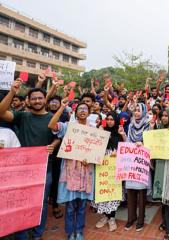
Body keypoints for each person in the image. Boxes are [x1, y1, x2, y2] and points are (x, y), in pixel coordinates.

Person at [0, 79, 58, 240]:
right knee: (21, 201)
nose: (37, 101)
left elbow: (60, 136)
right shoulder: (22, 116)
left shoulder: (52, 118)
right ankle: (22, 232)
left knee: (42, 202)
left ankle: (38, 232)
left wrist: (53, 144)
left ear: (45, 100)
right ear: (29, 101)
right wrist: (12, 92)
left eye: (40, 98)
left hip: (45, 169)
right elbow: (1, 112)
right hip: (20, 169)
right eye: (34, 98)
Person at [48, 101, 95, 240]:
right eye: (79, 109)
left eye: (85, 108)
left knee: (81, 205)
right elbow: (51, 125)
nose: (82, 111)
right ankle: (70, 232)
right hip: (70, 169)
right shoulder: (68, 127)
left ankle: (79, 231)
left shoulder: (93, 129)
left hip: (86, 169)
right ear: (75, 112)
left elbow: (96, 151)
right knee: (70, 206)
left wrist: (91, 158)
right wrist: (62, 106)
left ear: (89, 112)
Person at [93, 112, 127, 232]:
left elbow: (126, 147)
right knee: (102, 190)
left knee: (113, 191)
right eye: (107, 119)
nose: (109, 121)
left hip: (115, 165)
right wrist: (100, 133)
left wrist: (122, 136)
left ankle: (112, 218)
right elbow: (94, 146)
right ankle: (104, 217)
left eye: (112, 119)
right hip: (102, 165)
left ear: (116, 120)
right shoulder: (101, 131)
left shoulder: (120, 132)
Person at [153, 108, 169, 240]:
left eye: (166, 116)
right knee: (163, 197)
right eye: (162, 116)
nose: (163, 118)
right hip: (160, 166)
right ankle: (165, 222)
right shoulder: (158, 130)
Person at [125, 102, 150, 232]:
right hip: (131, 160)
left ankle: (140, 220)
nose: (136, 112)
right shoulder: (130, 125)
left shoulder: (148, 125)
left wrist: (144, 143)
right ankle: (131, 218)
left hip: (142, 162)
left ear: (144, 112)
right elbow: (128, 141)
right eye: (135, 110)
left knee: (141, 192)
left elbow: (151, 142)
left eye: (139, 110)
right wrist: (124, 136)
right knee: (130, 191)